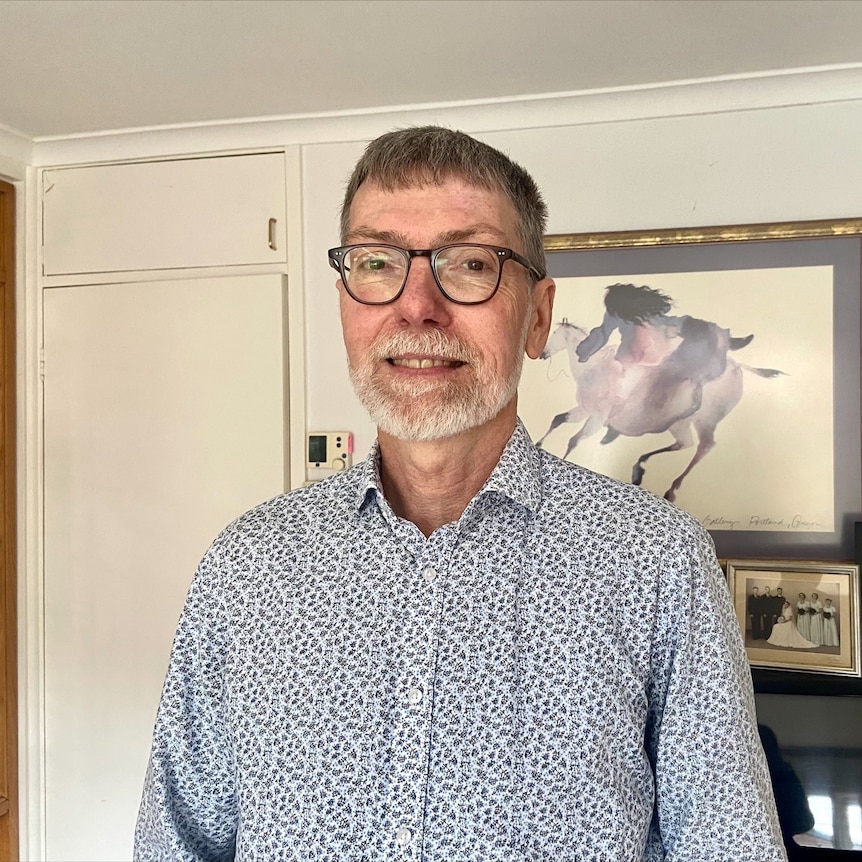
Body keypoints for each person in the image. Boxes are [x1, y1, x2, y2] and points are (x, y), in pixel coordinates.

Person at [134, 126, 786, 860]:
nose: (416, 308)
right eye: (376, 262)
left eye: (470, 264)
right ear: (346, 302)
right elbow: (178, 840)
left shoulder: (656, 561)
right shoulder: (248, 566)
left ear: (538, 317)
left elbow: (727, 845)